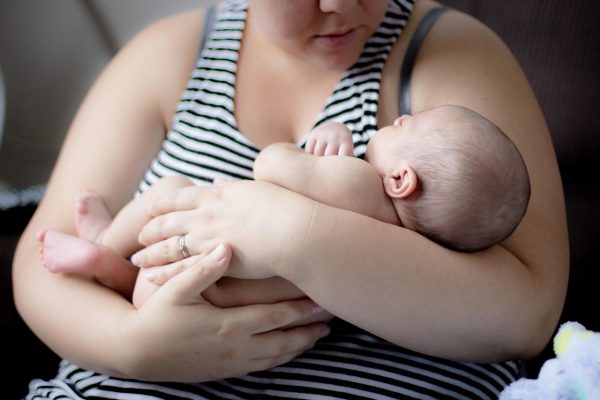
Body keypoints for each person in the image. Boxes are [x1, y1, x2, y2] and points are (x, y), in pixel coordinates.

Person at [13, 0, 568, 398]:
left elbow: (526, 315)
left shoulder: (451, 56)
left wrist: (288, 233)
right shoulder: (165, 55)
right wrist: (134, 347)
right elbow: (41, 269)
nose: (341, 5)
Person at [36, 104, 531, 309]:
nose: (398, 118)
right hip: (217, 294)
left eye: (407, 127)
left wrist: (322, 140)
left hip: (197, 246)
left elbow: (271, 167)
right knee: (148, 286)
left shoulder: (361, 182)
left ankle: (105, 245)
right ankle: (106, 267)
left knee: (168, 190)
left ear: (401, 180)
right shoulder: (401, 256)